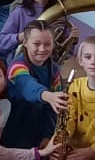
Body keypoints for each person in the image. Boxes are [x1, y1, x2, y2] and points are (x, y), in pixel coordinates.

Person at [4, 20, 64, 151]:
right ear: (25, 42)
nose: (42, 49)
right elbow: (27, 85)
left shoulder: (54, 70)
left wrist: (47, 135)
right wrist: (48, 96)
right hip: (14, 129)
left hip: (39, 130)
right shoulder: (16, 66)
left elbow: (53, 109)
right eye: (36, 44)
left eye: (47, 44)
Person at [0, 0, 61, 66]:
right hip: (21, 65)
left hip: (49, 67)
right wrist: (20, 37)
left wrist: (72, 40)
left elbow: (65, 53)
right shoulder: (19, 12)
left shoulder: (60, 12)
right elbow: (0, 43)